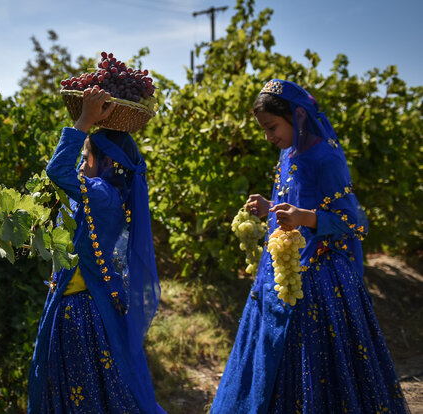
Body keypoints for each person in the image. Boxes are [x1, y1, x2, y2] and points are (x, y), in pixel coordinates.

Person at [210, 79, 410, 413]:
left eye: (272, 126)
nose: (268, 136)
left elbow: (355, 222)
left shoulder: (325, 158)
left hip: (320, 277)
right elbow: (290, 202)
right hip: (283, 269)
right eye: (263, 129)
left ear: (298, 117)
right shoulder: (288, 154)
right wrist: (268, 205)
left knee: (313, 363)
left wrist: (306, 218)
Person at [28, 87, 165, 413]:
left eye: (85, 158)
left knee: (81, 397)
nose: (80, 165)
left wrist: (85, 119)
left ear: (103, 162)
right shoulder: (108, 196)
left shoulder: (101, 194)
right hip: (94, 307)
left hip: (79, 314)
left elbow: (57, 171)